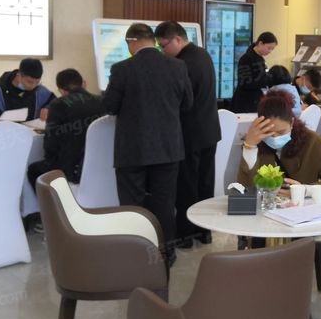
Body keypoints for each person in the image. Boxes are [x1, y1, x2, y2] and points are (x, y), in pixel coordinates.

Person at [103, 23, 192, 267]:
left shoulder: (121, 69)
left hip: (132, 150)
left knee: (132, 205)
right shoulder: (178, 66)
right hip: (168, 148)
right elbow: (187, 104)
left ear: (131, 42)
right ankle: (166, 254)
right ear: (152, 40)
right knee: (165, 204)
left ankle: (135, 255)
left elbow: (109, 106)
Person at [155, 20, 221, 248]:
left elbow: (180, 101)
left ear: (177, 39)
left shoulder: (181, 64)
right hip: (209, 131)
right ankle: (204, 233)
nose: (162, 51)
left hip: (189, 134)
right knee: (205, 184)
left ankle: (185, 237)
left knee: (186, 187)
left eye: (164, 45)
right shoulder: (203, 55)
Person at [238, 90, 321, 198]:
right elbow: (245, 188)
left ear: (292, 123)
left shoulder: (312, 142)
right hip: (265, 205)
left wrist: (304, 190)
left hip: (303, 206)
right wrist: (250, 147)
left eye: (281, 132)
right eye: (269, 133)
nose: (275, 137)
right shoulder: (256, 143)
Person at [26, 69, 107, 190]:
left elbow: (50, 145)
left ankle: (55, 202)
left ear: (61, 90)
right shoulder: (102, 101)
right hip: (101, 164)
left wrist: (50, 161)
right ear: (83, 84)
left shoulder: (59, 104)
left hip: (71, 168)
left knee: (33, 170)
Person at [0, 57, 54, 124]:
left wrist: (48, 108)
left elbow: (54, 103)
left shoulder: (39, 90)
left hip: (33, 134)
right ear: (19, 75)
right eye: (29, 82)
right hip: (5, 134)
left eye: (37, 82)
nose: (33, 86)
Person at [231, 32, 278, 113]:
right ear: (260, 43)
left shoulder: (260, 59)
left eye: (272, 49)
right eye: (269, 48)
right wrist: (266, 80)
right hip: (245, 102)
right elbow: (244, 83)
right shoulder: (246, 58)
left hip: (255, 101)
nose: (270, 51)